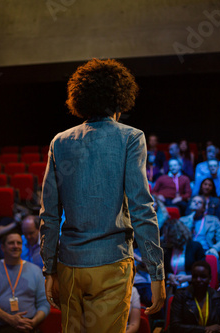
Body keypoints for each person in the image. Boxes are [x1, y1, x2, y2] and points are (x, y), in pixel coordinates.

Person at [39, 58, 165, 333]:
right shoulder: (131, 137)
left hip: (69, 265)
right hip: (112, 264)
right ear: (120, 98)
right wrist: (157, 273)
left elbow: (48, 214)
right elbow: (142, 208)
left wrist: (49, 270)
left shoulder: (60, 141)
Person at [0, 230, 50, 333]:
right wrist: (9, 319)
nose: (16, 246)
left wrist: (33, 322)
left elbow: (44, 304)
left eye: (19, 243)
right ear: (3, 247)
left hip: (23, 324)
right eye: (11, 243)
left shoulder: (35, 271)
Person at [170, 260, 220, 333]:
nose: (198, 280)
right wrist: (205, 329)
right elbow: (175, 326)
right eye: (195, 276)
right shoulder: (181, 295)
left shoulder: (217, 296)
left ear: (210, 278)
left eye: (203, 276)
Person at [161, 219, 205, 290]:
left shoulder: (195, 247)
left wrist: (188, 278)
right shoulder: (167, 249)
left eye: (167, 236)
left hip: (193, 285)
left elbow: (203, 273)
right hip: (174, 286)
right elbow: (164, 270)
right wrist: (169, 276)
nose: (164, 238)